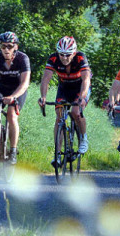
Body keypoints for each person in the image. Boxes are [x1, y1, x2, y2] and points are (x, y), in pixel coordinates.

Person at [38, 36, 92, 165]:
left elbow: (86, 80)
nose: (64, 58)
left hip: (80, 88)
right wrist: (43, 97)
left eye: (68, 55)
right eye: (61, 54)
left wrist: (82, 98)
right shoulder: (53, 59)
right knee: (59, 116)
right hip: (64, 88)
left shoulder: (80, 58)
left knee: (75, 112)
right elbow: (45, 80)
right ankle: (57, 154)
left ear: (74, 53)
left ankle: (83, 138)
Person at [0, 31, 31, 164]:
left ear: (16, 47)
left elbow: (25, 83)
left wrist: (13, 97)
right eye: (3, 46)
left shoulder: (23, 58)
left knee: (11, 114)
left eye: (9, 46)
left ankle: (13, 150)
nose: (6, 49)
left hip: (18, 89)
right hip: (1, 87)